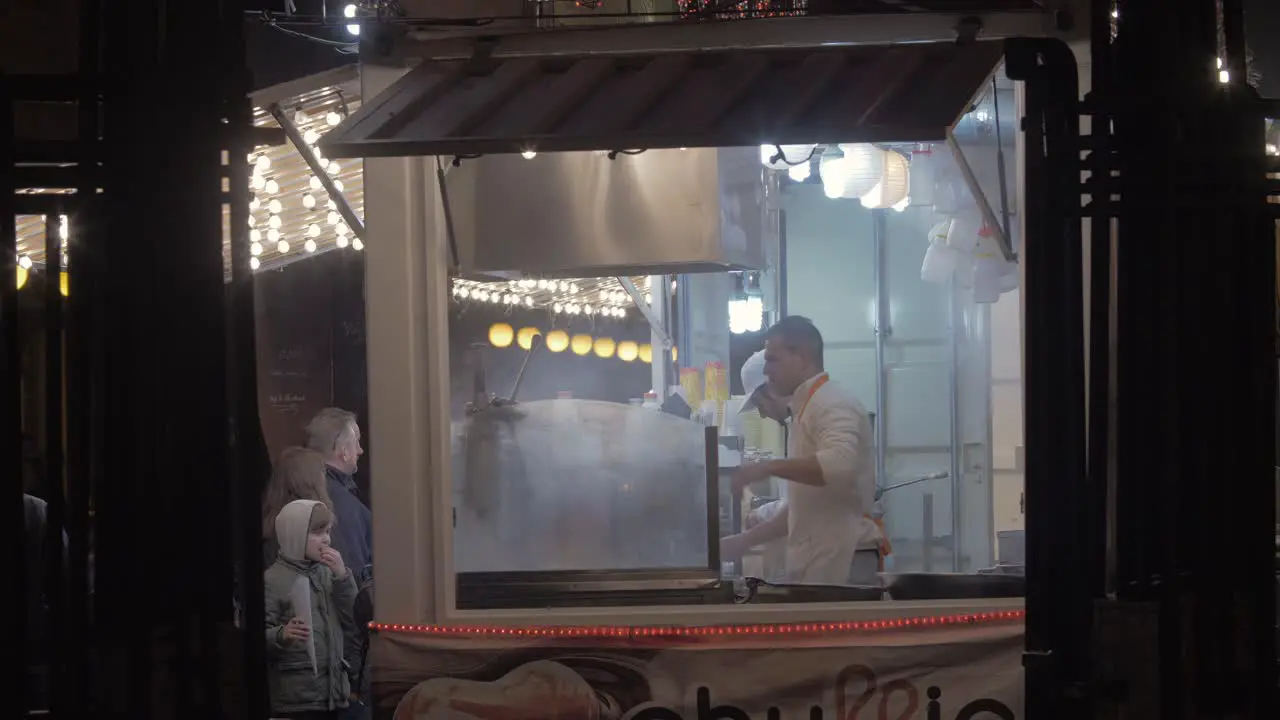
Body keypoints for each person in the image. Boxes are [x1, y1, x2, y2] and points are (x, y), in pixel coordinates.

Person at [721, 316, 881, 585]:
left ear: (802, 357)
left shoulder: (832, 403)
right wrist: (744, 541)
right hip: (821, 562)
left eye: (773, 360)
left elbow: (840, 464)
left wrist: (766, 467)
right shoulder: (806, 409)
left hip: (843, 562)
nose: (767, 372)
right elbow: (803, 507)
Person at [265, 499, 357, 720]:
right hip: (296, 698)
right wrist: (281, 634)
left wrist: (343, 577)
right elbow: (252, 639)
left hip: (334, 694)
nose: (326, 539)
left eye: (327, 531)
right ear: (294, 534)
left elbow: (352, 618)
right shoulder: (272, 580)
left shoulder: (327, 574)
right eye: (317, 532)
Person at [304, 408, 371, 584]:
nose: (360, 451)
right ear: (343, 451)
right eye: (356, 442)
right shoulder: (341, 503)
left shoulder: (304, 485)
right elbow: (354, 569)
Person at [262, 446, 334, 568]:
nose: (326, 478)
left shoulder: (271, 526)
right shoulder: (312, 522)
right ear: (310, 479)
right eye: (323, 471)